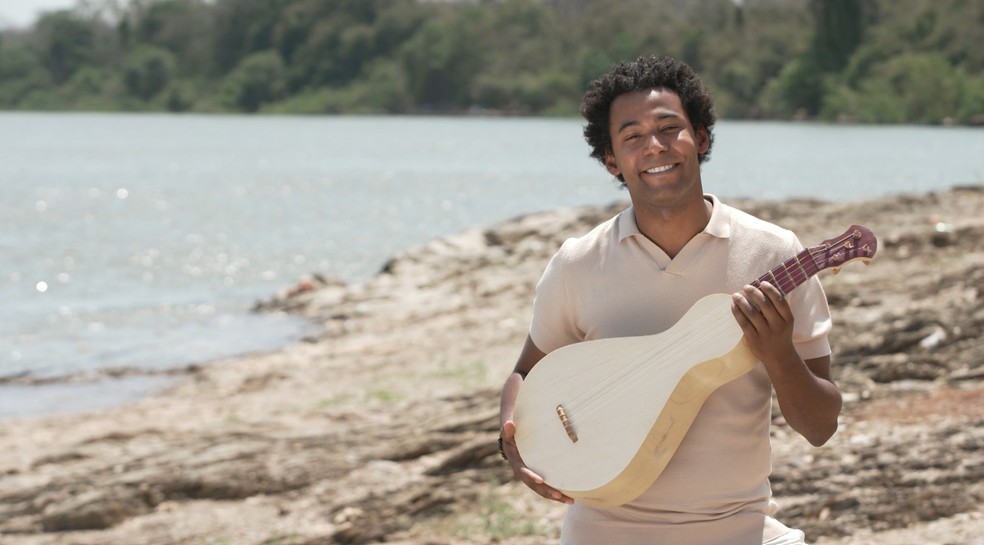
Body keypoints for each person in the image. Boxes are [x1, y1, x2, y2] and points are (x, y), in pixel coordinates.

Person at [497, 55, 842, 545]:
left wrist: (779, 351)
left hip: (738, 529)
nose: (654, 146)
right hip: (600, 530)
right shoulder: (579, 261)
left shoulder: (774, 254)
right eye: (632, 135)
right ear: (612, 159)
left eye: (669, 127)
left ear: (700, 138)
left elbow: (821, 426)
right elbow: (527, 372)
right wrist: (512, 440)